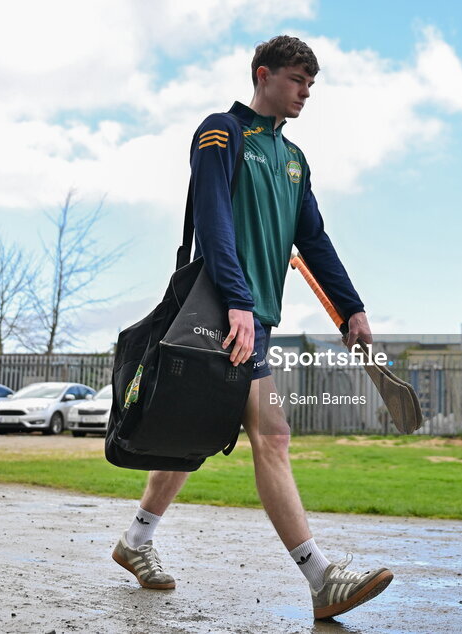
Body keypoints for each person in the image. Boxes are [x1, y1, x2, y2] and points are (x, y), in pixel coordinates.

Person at [111, 36, 392, 620]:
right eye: (296, 81)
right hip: (221, 311)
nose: (305, 94)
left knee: (197, 431)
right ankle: (321, 578)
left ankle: (135, 542)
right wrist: (237, 301)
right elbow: (213, 219)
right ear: (263, 75)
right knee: (272, 434)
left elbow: (311, 239)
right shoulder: (221, 133)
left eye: (311, 85)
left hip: (251, 314)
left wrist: (351, 308)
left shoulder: (294, 161)